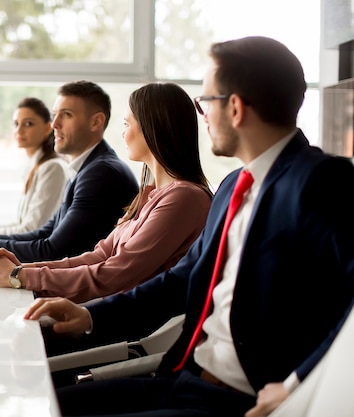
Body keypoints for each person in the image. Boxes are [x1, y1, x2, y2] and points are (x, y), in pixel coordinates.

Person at [23, 36, 354, 417]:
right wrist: (92, 316)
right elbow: (180, 281)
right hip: (185, 377)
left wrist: (300, 384)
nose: (201, 114)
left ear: (235, 108)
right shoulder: (232, 187)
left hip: (240, 400)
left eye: (205, 102)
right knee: (41, 407)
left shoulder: (322, 182)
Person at [0, 83, 212, 304]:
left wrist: (19, 276)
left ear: (153, 128)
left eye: (127, 124)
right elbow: (99, 256)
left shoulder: (184, 199)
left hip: (123, 323)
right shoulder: (149, 195)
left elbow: (115, 273)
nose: (123, 134)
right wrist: (23, 270)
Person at [0, 80, 139, 263]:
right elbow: (44, 232)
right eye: (55, 114)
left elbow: (54, 251)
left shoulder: (101, 174)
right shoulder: (87, 168)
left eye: (66, 114)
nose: (54, 124)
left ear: (96, 122)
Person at [0, 97, 71, 235]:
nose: (19, 130)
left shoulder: (53, 168)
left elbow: (31, 230)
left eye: (28, 124)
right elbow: (22, 225)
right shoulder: (35, 166)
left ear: (47, 128)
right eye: (16, 124)